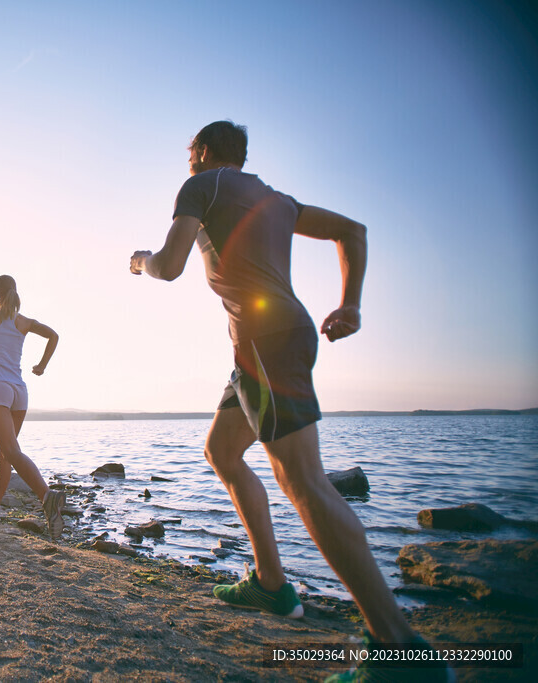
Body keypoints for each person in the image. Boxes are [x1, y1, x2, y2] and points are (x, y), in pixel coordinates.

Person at [129, 121, 450, 681]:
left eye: (191, 156)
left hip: (266, 341)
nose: (189, 164)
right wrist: (351, 304)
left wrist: (140, 261)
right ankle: (272, 584)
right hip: (263, 344)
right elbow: (353, 230)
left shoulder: (203, 185)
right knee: (222, 451)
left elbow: (171, 264)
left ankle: (398, 650)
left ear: (202, 152)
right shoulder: (277, 199)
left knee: (303, 478)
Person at [0, 275, 65, 538]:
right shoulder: (24, 322)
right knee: (5, 453)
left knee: (9, 450)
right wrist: (42, 365)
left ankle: (47, 496)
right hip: (19, 391)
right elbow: (53, 336)